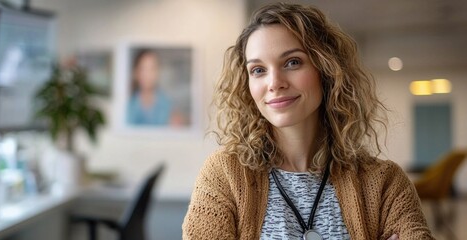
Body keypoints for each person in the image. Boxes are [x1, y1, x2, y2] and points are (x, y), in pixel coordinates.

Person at [183, 2, 433, 240]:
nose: (274, 83)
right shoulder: (223, 174)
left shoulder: (385, 182)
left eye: (292, 62)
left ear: (326, 70)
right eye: (258, 70)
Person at [127, 49, 183, 126]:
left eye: (152, 69)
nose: (148, 75)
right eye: (143, 69)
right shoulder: (128, 105)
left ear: (158, 72)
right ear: (136, 73)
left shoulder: (167, 105)